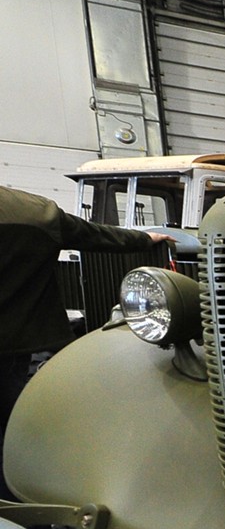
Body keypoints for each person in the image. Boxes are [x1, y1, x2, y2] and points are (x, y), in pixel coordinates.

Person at [0, 185, 170, 500]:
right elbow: (95, 235)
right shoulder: (38, 212)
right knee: (17, 436)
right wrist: (146, 239)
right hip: (17, 351)